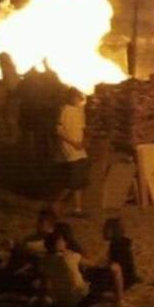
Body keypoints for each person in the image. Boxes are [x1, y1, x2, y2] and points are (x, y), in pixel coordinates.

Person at [82, 218, 137, 307]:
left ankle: (118, 300)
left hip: (124, 278)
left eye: (106, 229)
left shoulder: (118, 245)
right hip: (126, 277)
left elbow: (117, 265)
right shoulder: (120, 242)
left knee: (92, 274)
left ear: (114, 231)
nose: (103, 231)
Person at [53, 88, 89, 217]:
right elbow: (59, 130)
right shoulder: (64, 110)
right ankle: (56, 203)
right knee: (73, 181)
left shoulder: (80, 111)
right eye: (76, 97)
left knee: (79, 180)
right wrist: (73, 143)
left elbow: (83, 128)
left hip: (80, 150)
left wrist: (83, 141)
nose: (78, 99)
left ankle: (77, 208)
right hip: (69, 149)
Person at [38, 229, 89, 307]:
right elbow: (91, 264)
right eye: (62, 241)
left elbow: (44, 284)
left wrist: (41, 300)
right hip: (79, 299)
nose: (65, 243)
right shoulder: (71, 256)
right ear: (58, 244)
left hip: (61, 302)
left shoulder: (45, 261)